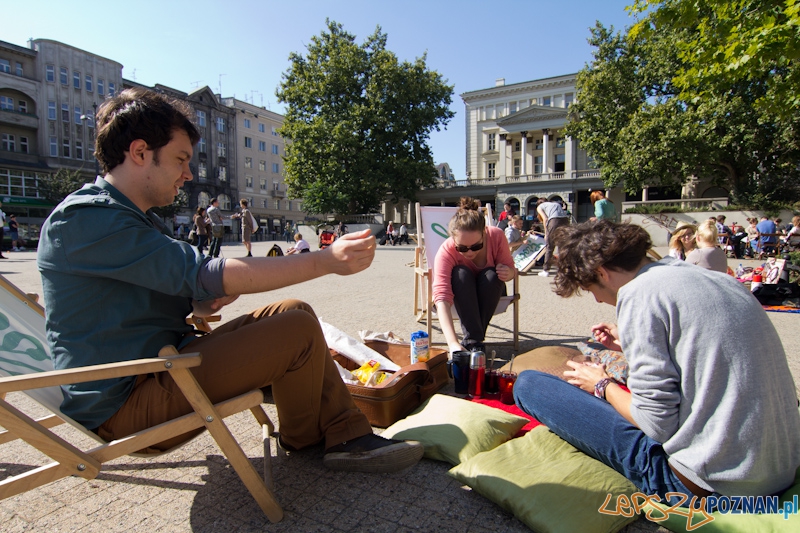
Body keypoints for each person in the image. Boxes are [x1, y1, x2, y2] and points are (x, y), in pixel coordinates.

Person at [36, 87, 423, 474]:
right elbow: (205, 273)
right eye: (180, 159)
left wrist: (201, 302)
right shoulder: (86, 219)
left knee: (294, 311)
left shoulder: (129, 218)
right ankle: (341, 437)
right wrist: (324, 260)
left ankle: (316, 436)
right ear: (139, 153)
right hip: (126, 403)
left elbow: (167, 293)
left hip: (160, 370)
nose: (188, 174)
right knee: (296, 331)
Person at [514, 219, 800, 507]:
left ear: (601, 273)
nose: (598, 301)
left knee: (530, 385)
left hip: (709, 485)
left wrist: (601, 384)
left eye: (590, 289)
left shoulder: (639, 294)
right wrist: (629, 344)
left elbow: (656, 425)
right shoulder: (718, 280)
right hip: (778, 470)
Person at [432, 197, 516, 354]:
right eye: (462, 248)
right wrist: (452, 344)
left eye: (476, 246)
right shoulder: (447, 250)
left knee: (492, 274)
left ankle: (472, 340)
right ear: (453, 239)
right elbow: (441, 297)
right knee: (460, 273)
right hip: (462, 292)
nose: (470, 252)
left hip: (491, 289)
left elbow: (511, 270)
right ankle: (475, 341)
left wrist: (508, 273)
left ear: (485, 233)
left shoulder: (496, 236)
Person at [535, 198, 569, 277]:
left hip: (554, 221)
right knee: (562, 246)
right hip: (565, 221)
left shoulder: (540, 207)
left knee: (549, 246)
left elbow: (545, 219)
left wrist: (546, 232)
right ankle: (564, 269)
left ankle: (546, 270)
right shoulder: (555, 203)